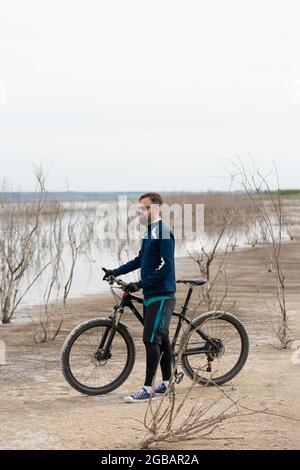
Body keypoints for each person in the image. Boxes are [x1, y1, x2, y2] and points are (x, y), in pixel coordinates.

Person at [103, 192, 176, 403]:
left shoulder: (163, 231)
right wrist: (116, 271)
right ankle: (167, 383)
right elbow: (140, 259)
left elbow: (166, 266)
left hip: (162, 294)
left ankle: (148, 389)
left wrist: (141, 283)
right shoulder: (149, 232)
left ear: (156, 208)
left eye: (144, 208)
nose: (140, 213)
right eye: (139, 209)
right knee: (161, 339)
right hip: (152, 293)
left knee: (151, 339)